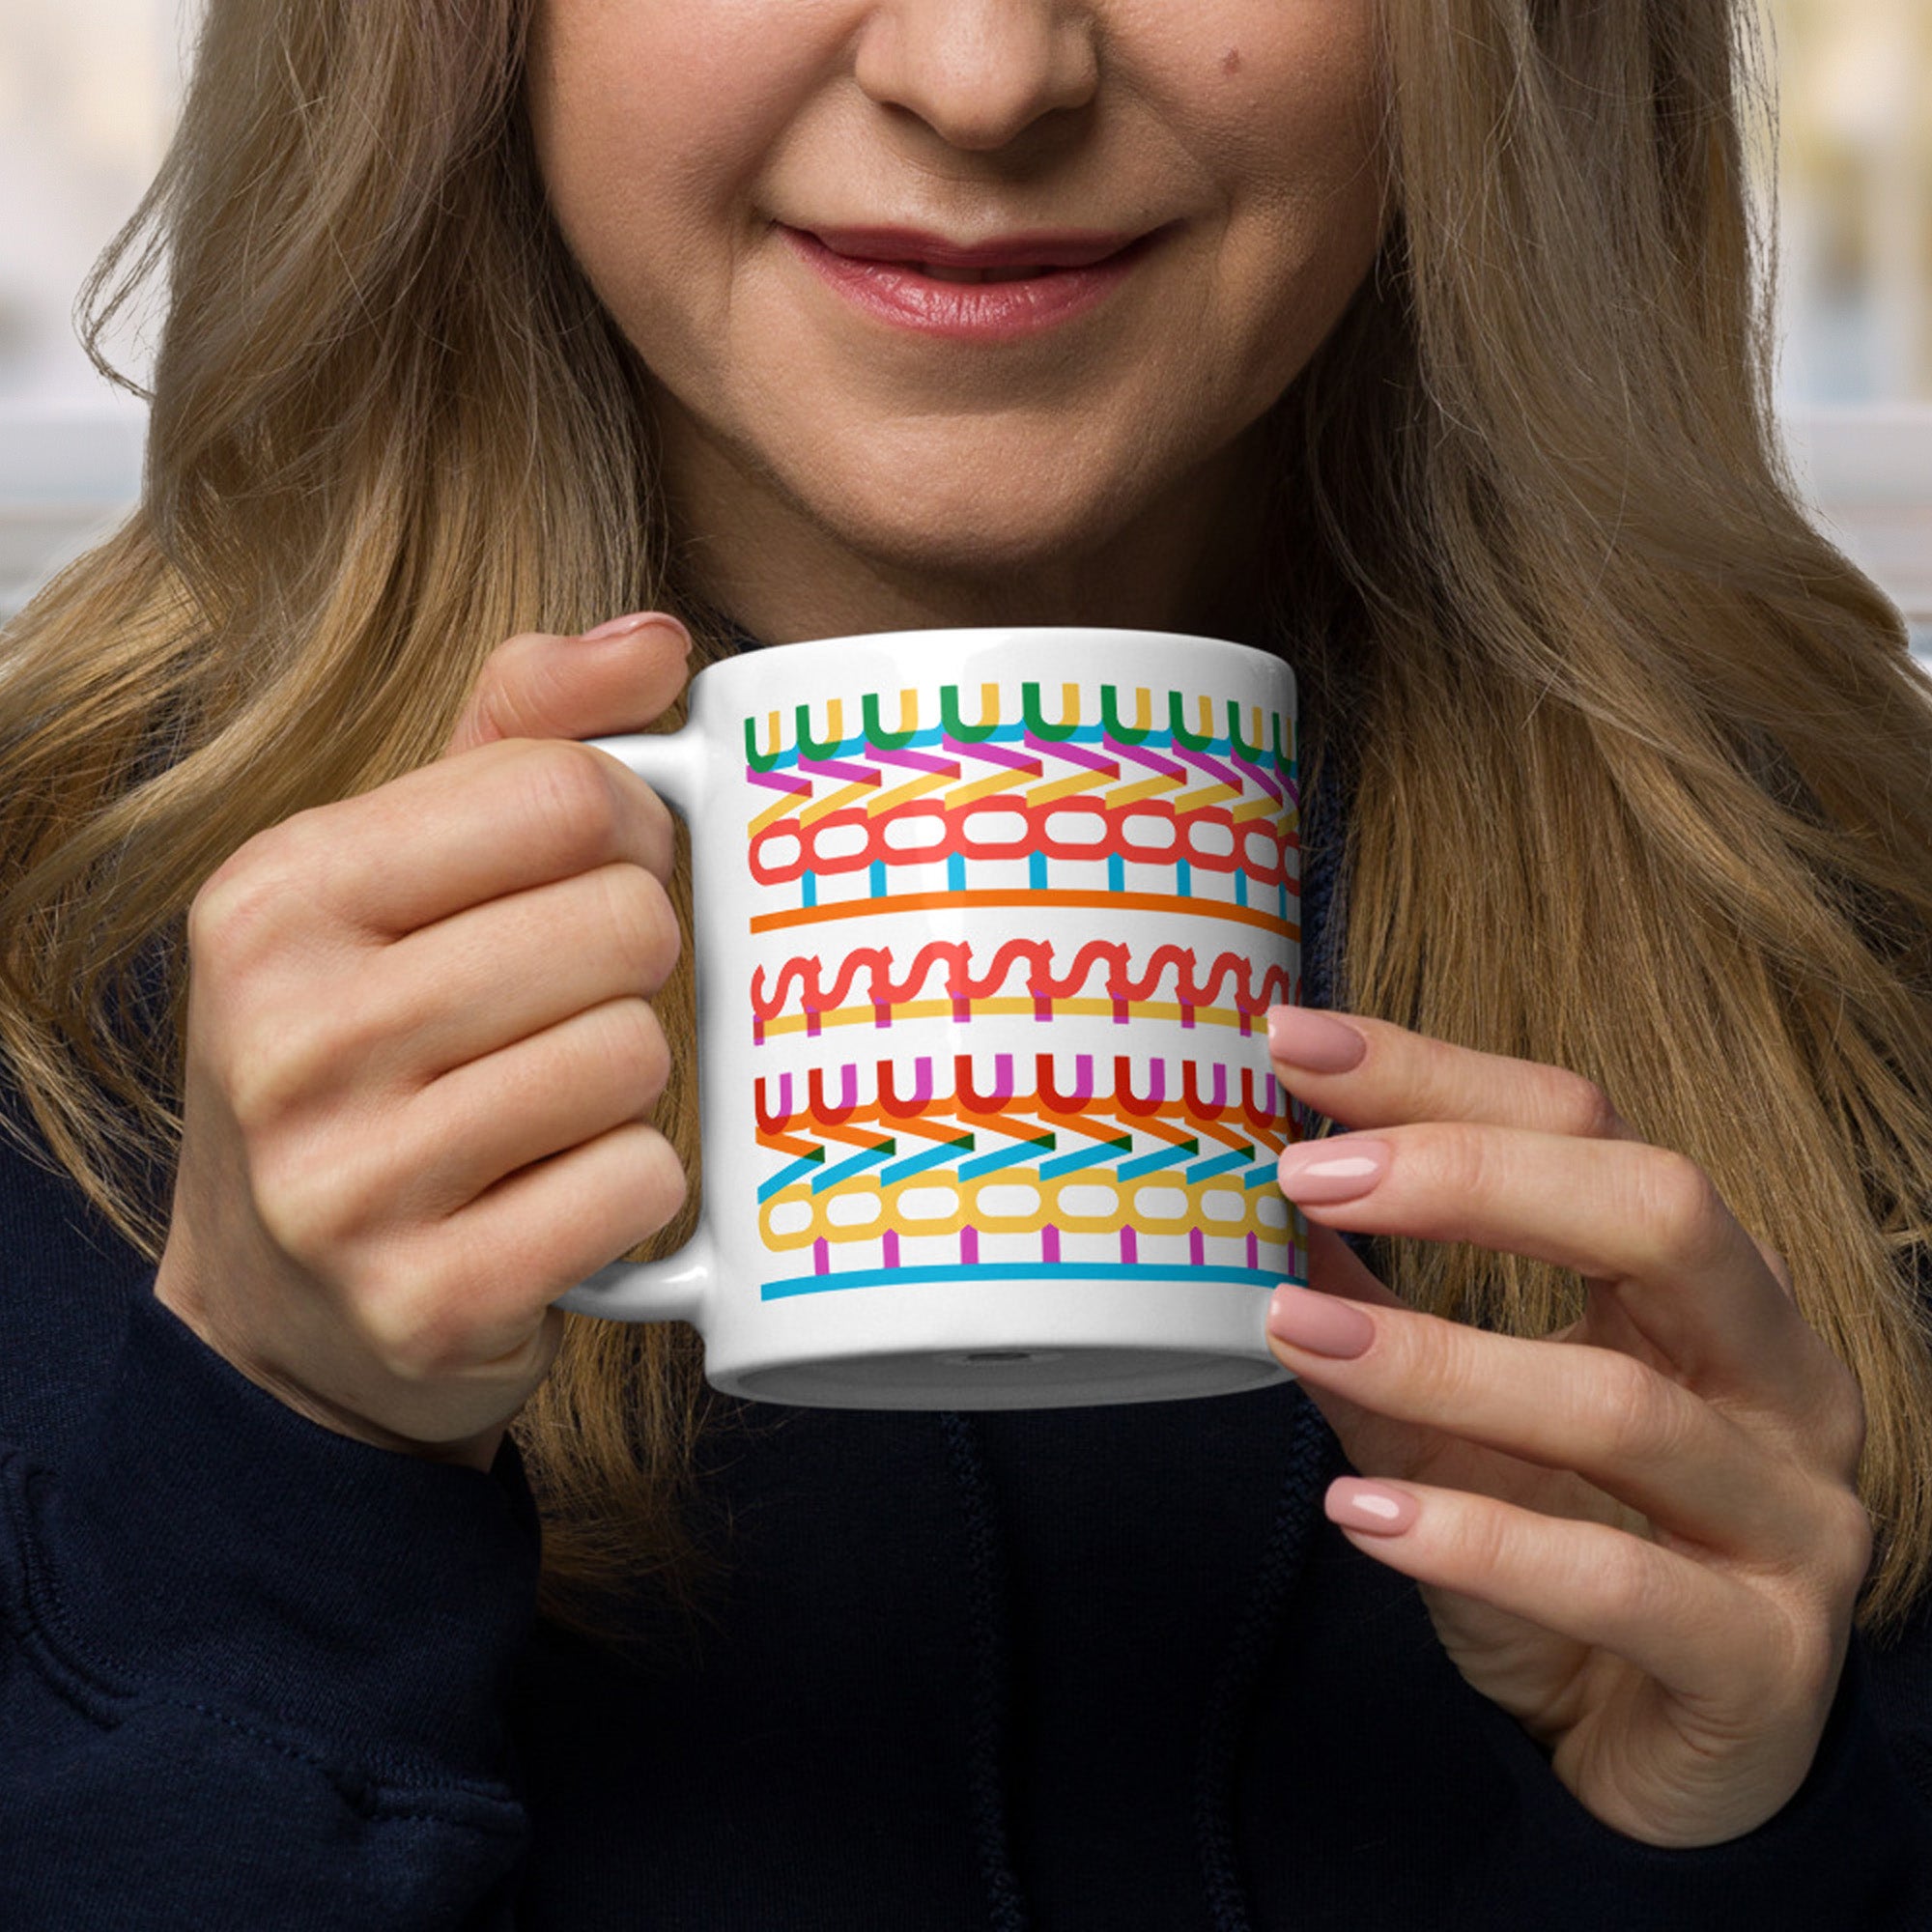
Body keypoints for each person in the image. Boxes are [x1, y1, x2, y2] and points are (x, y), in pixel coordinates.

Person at [2, 0, 1929, 1924]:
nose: (985, 78)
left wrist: (1733, 1836)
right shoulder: (47, 973)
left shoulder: (1866, 980)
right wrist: (274, 1485)